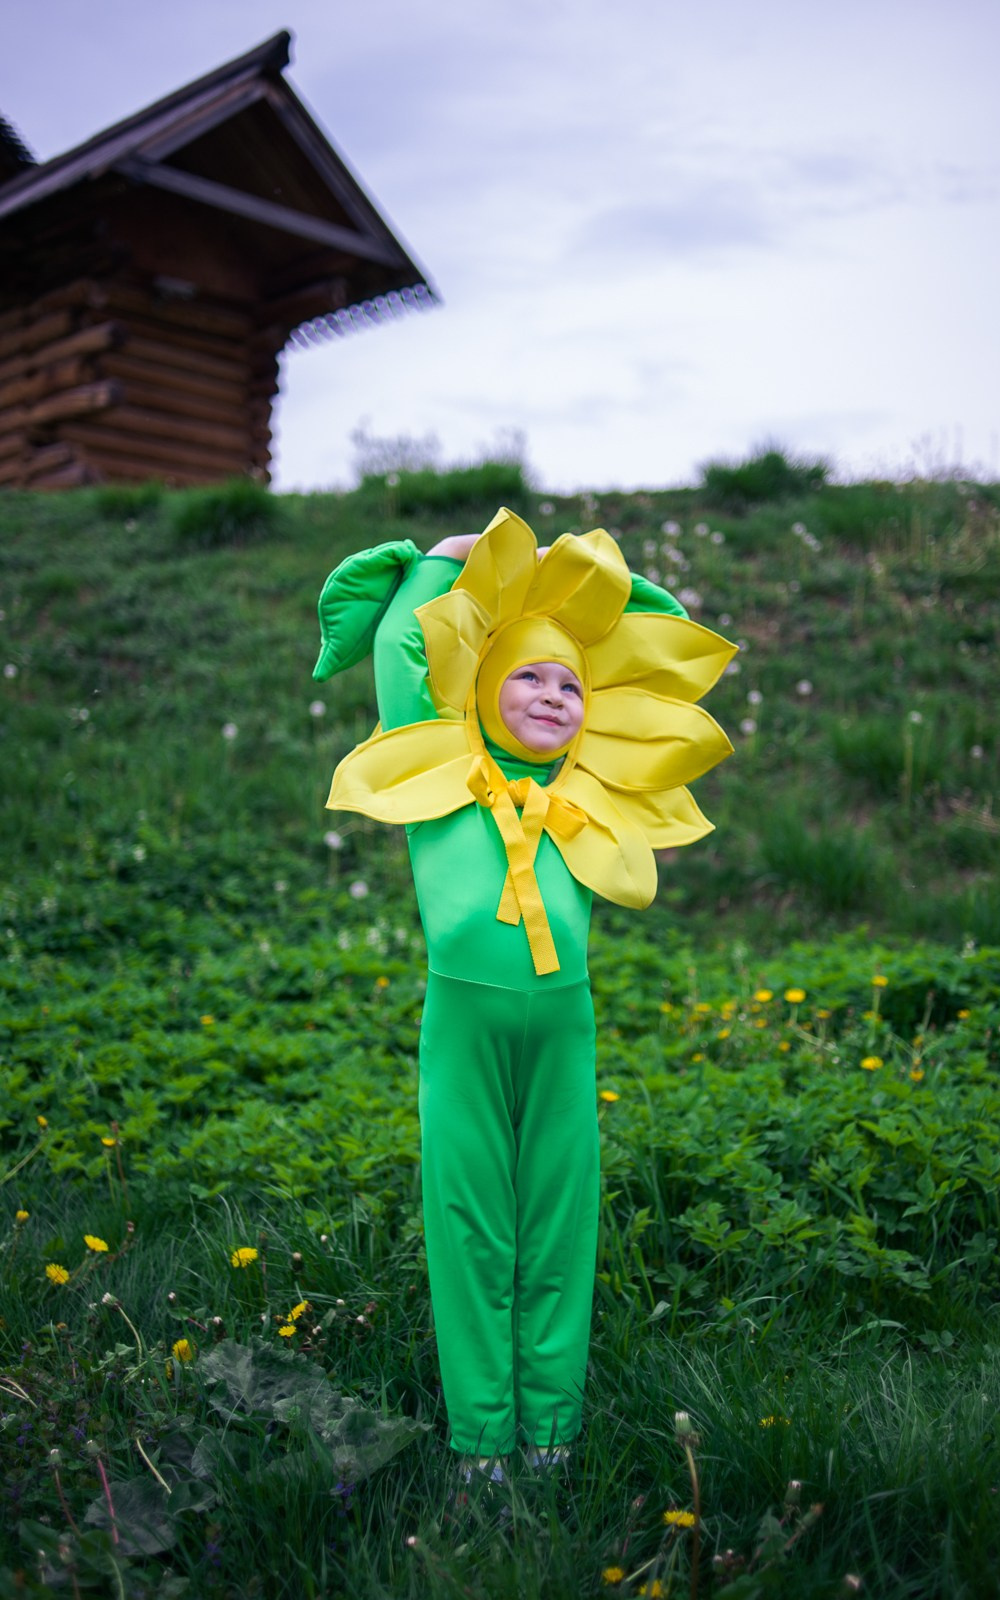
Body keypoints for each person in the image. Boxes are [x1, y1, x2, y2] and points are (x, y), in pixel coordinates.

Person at [313, 507, 735, 1478]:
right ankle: (480, 1441)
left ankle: (550, 1434)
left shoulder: (593, 785)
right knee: (470, 1225)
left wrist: (577, 576)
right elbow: (403, 645)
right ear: (483, 684)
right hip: (464, 1029)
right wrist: (451, 556)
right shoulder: (442, 764)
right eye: (529, 677)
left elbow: (655, 647)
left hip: (564, 1032)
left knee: (558, 1224)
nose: (553, 696)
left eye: (570, 684)